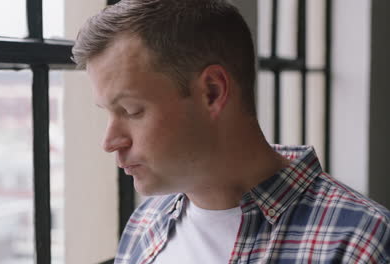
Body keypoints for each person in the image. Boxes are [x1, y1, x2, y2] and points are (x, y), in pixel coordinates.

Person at [72, 0, 390, 263]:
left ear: (211, 91)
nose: (109, 141)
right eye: (108, 113)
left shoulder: (360, 243)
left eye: (131, 111)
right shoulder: (144, 224)